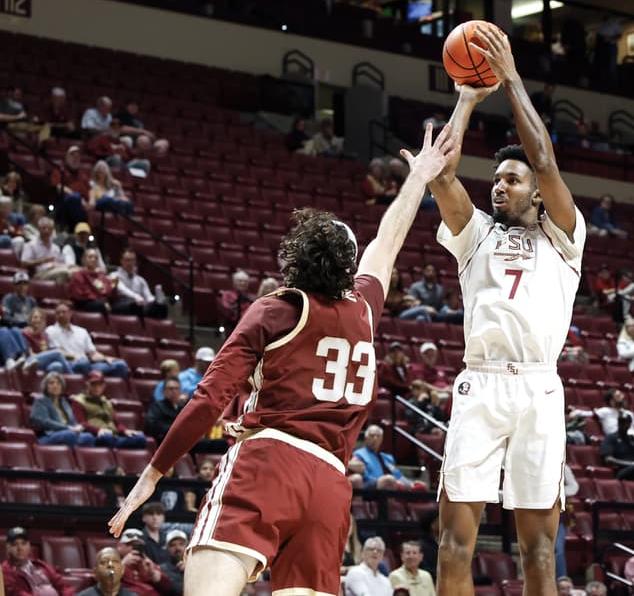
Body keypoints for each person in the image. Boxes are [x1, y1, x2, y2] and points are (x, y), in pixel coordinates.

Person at [107, 122, 459, 596]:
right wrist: (418, 178)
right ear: (347, 267)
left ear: (295, 257)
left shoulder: (277, 309)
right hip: (331, 485)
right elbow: (388, 239)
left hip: (269, 463)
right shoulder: (365, 309)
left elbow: (210, 399)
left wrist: (153, 473)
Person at [429, 25, 586, 595]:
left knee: (540, 552)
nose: (500, 186)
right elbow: (441, 175)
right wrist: (467, 98)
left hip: (539, 390)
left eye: (511, 180)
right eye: (495, 179)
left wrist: (513, 77)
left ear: (537, 192)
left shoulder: (565, 237)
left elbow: (544, 159)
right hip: (481, 383)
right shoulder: (476, 238)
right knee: (451, 545)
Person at [46, 302, 129, 377]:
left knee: (120, 364)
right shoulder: (50, 330)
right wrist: (76, 357)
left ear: (70, 313)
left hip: (87, 364)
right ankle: (92, 379)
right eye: (58, 313)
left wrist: (106, 358)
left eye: (63, 312)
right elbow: (57, 351)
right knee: (83, 363)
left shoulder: (81, 331)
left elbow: (92, 354)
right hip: (69, 364)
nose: (61, 315)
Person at [71, 370, 147, 448]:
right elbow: (81, 423)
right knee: (107, 438)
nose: (97, 387)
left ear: (104, 386)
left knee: (140, 438)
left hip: (114, 435)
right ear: (88, 385)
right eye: (94, 384)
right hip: (97, 435)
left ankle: (118, 446)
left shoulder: (107, 402)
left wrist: (125, 430)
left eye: (100, 384)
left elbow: (117, 423)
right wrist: (98, 430)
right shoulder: (79, 401)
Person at [30, 371, 96, 447]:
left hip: (68, 433)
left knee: (88, 437)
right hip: (48, 435)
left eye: (58, 383)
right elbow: (44, 422)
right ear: (46, 386)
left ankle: (79, 458)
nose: (55, 386)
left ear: (62, 386)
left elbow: (72, 421)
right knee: (69, 434)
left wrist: (78, 426)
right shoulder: (40, 401)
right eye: (51, 383)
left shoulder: (64, 402)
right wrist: (67, 428)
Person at [2, 526, 74, 596]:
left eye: (23, 543)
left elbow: (63, 585)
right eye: (15, 544)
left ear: (29, 546)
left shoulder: (39, 564)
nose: (20, 548)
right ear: (8, 548)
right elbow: (17, 593)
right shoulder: (6, 571)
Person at [110, 248, 168, 318]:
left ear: (135, 262)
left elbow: (148, 296)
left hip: (138, 305)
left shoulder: (140, 280)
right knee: (136, 305)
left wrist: (155, 301)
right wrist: (136, 297)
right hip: (120, 304)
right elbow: (121, 289)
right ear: (121, 261)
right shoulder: (113, 276)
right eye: (127, 260)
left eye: (132, 260)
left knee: (162, 307)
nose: (130, 263)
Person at [353, 424, 414, 490]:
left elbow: (398, 475)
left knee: (420, 486)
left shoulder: (388, 457)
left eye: (378, 436)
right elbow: (364, 476)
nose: (375, 438)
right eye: (372, 435)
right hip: (372, 484)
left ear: (382, 439)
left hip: (392, 483)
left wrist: (412, 483)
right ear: (366, 438)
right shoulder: (359, 454)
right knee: (388, 480)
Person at [116, 528, 173, 596]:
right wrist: (122, 565)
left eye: (137, 546)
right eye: (129, 545)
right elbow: (105, 580)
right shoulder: (113, 561)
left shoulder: (146, 561)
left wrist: (153, 573)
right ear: (120, 546)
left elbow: (167, 588)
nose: (133, 548)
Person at [21, 216, 79, 282]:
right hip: (41, 273)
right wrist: (42, 261)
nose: (47, 231)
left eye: (49, 229)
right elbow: (24, 263)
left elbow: (59, 262)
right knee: (65, 272)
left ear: (52, 231)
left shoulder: (56, 248)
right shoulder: (30, 245)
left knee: (77, 271)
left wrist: (70, 266)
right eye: (44, 228)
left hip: (56, 270)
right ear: (39, 229)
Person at [68, 247, 117, 315]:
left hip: (103, 303)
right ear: (83, 260)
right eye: (90, 257)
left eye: (96, 258)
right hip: (84, 305)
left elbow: (109, 293)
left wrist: (114, 287)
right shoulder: (78, 276)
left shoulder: (102, 277)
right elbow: (78, 297)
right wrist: (100, 301)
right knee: (102, 305)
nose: (93, 260)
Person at [146, 377, 184, 443]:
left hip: (184, 439)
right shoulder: (157, 406)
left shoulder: (183, 407)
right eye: (171, 389)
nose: (174, 391)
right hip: (165, 441)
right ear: (163, 391)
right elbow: (152, 425)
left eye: (177, 389)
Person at [159, 530, 186, 596]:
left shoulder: (195, 567)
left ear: (186, 546)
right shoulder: (161, 570)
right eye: (173, 545)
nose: (178, 548)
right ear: (167, 548)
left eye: (181, 544)